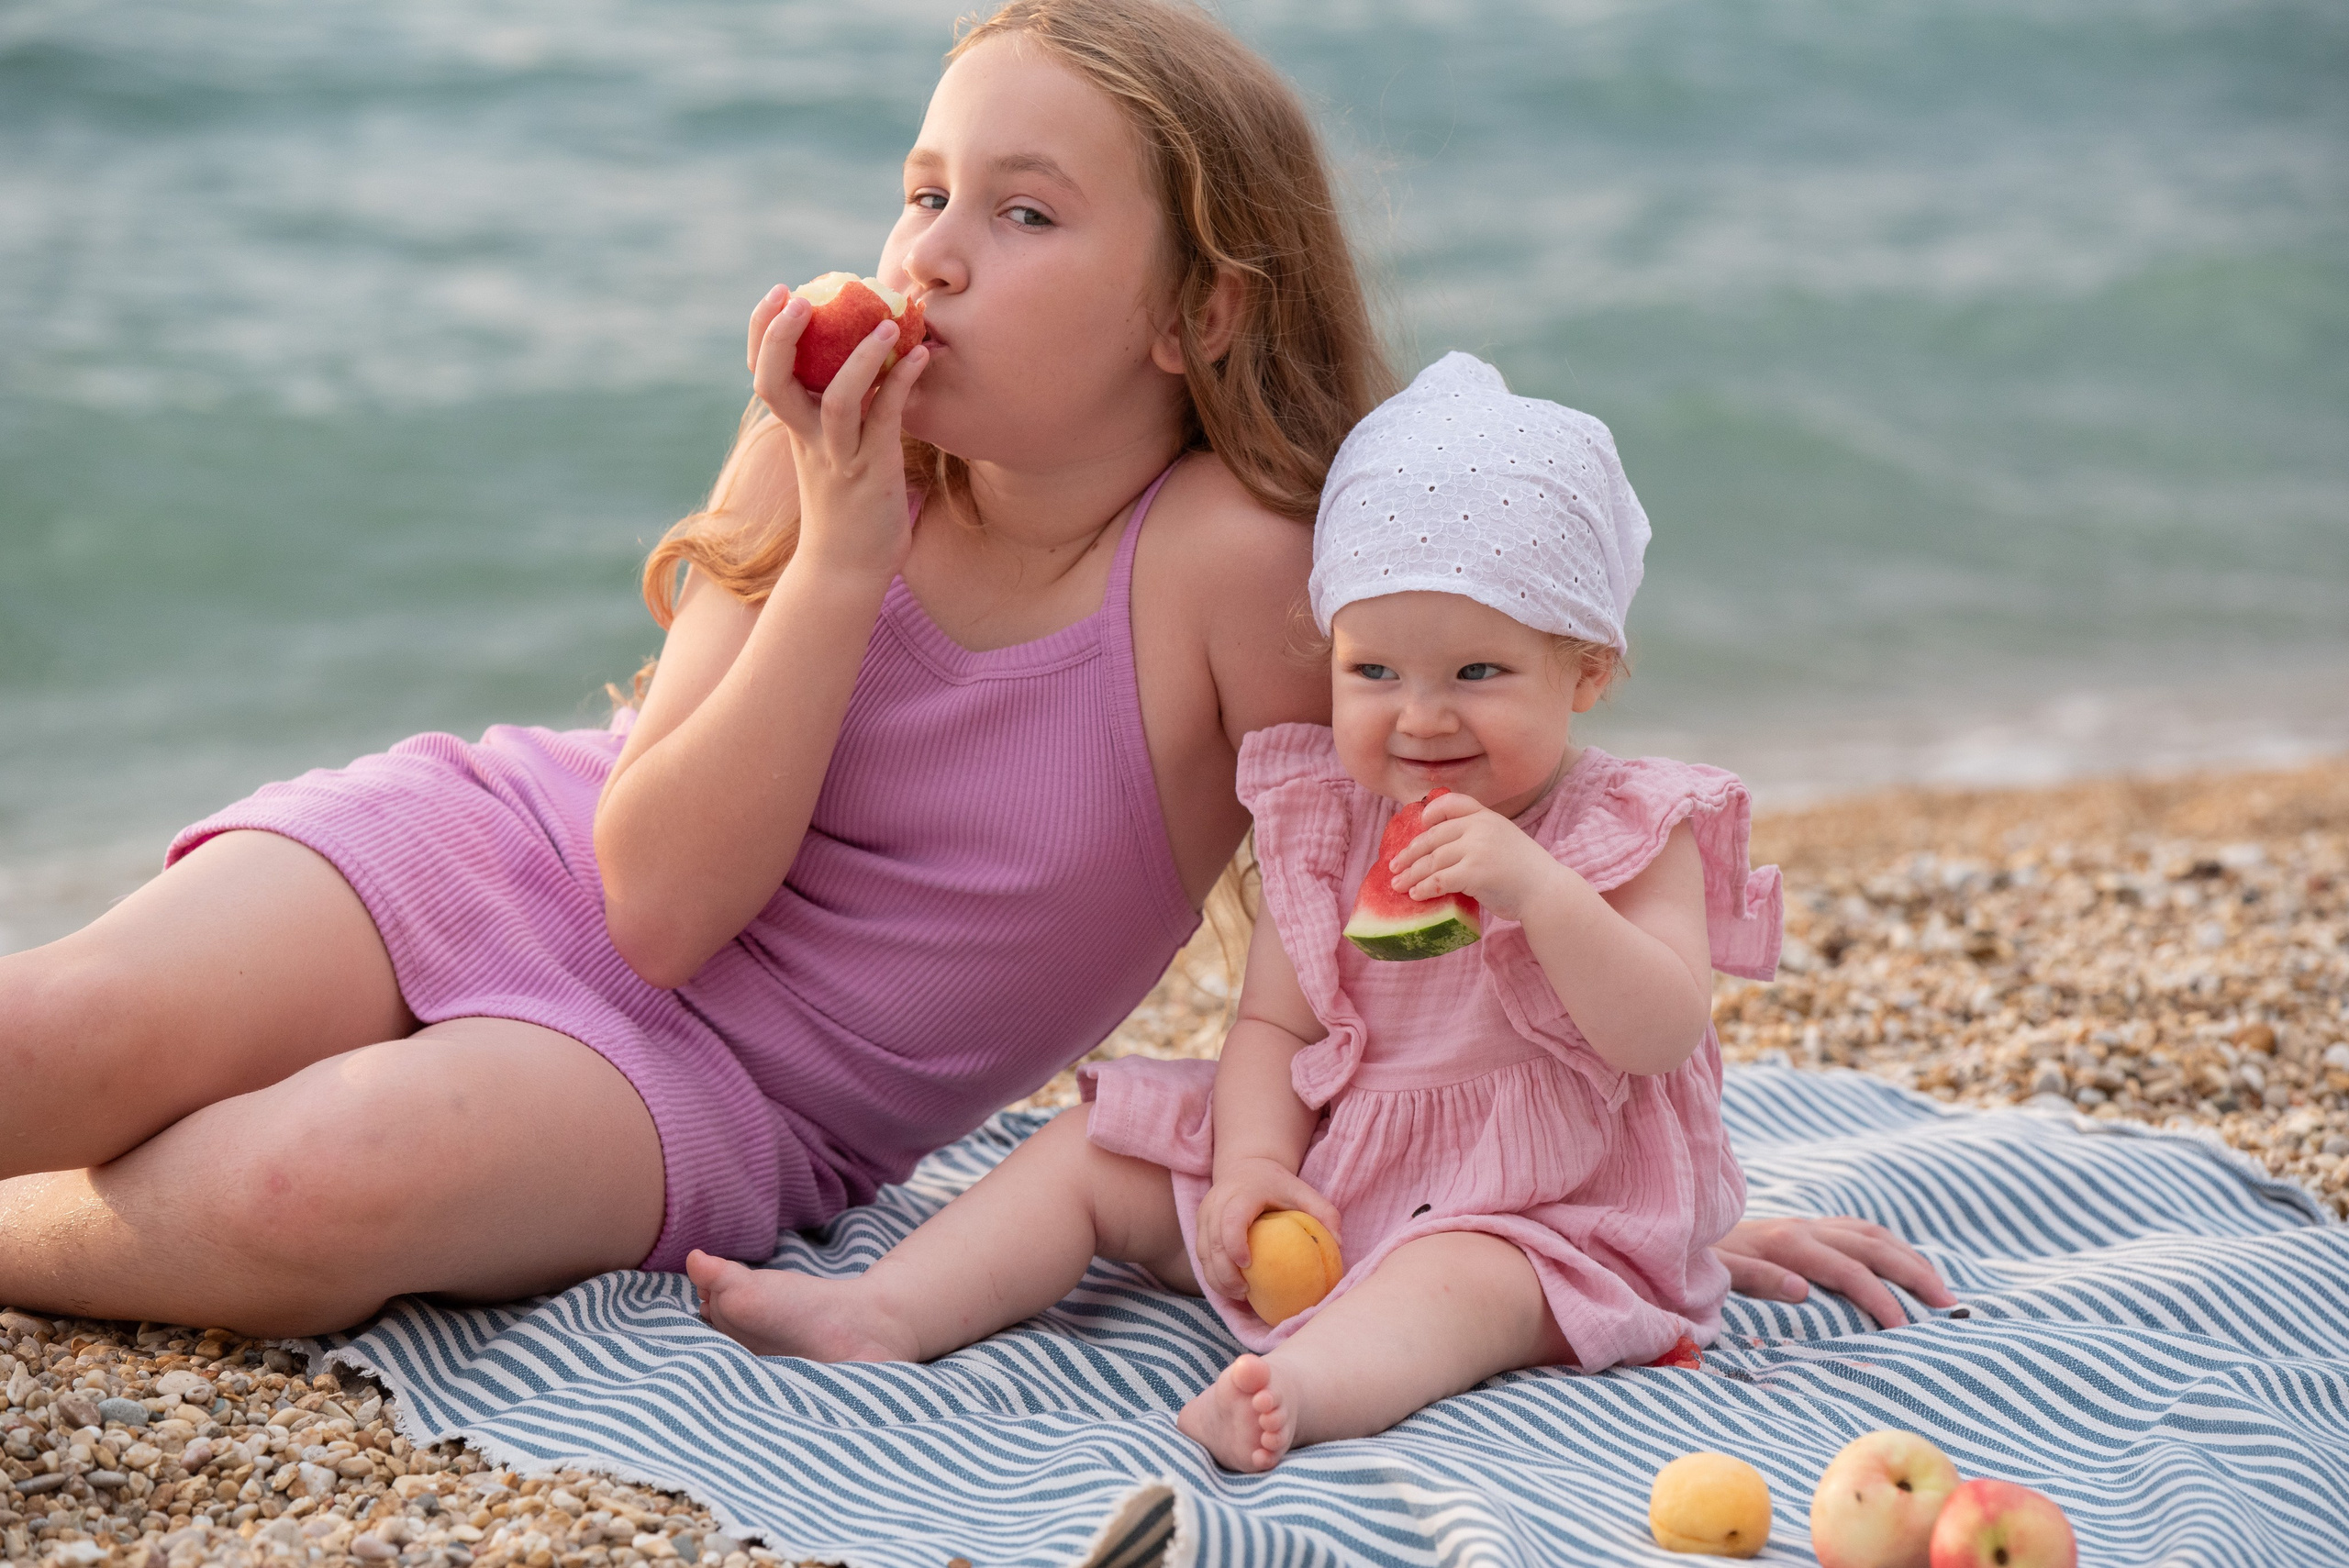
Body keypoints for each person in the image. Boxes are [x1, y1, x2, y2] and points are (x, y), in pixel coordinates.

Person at [0, 0, 1946, 1340]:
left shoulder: (1231, 576)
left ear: (1198, 310)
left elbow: (1416, 928)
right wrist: (841, 544)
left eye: (1022, 215)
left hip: (737, 1088)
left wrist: (1611, 1200)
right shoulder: (822, 442)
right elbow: (653, 883)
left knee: (305, 1188)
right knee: (62, 1041)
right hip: (503, 846)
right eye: (924, 190)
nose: (930, 256)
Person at [687, 352, 1951, 1470]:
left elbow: (1660, 1028)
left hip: (1539, 1211)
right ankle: (884, 1312)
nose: (1421, 715)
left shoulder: (1632, 830)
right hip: (1340, 1169)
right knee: (1099, 1148)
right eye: (1373, 671)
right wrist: (1250, 1171)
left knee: (1452, 1283)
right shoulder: (1337, 817)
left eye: (1478, 673)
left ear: (1589, 670)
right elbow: (1278, 1032)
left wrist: (1534, 889)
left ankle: (1296, 1389)